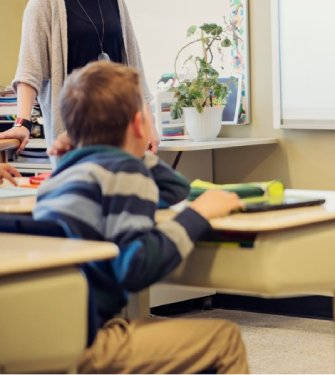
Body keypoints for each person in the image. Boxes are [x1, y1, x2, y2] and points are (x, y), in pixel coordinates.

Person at [33, 61, 247, 373]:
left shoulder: (60, 179)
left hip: (36, 340)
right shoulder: (123, 173)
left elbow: (173, 189)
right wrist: (197, 214)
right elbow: (135, 265)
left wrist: (120, 148)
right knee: (224, 338)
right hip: (84, 345)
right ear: (138, 125)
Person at [0, 0, 157, 159]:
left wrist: (149, 122)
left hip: (125, 132)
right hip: (74, 137)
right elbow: (30, 71)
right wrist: (22, 122)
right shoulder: (45, 1)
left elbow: (135, 69)